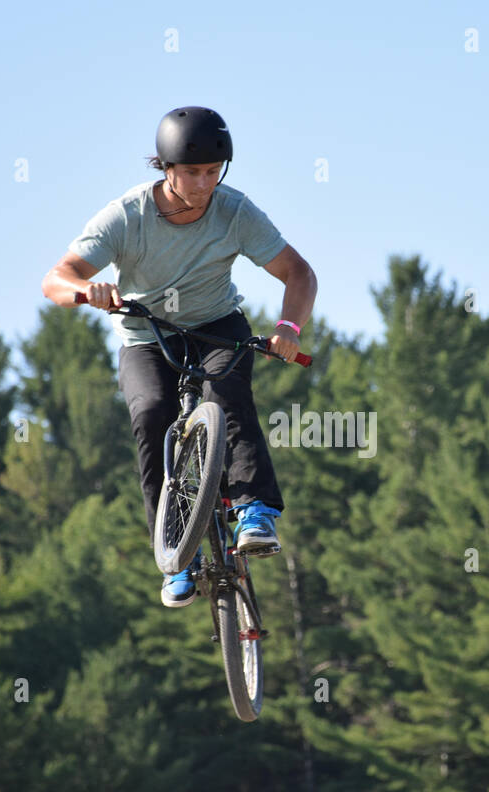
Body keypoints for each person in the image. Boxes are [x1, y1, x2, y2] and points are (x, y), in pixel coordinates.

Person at [41, 106, 317, 607]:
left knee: (227, 395)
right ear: (166, 169)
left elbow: (298, 273)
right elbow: (55, 278)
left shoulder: (235, 212)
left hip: (216, 327)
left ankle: (254, 511)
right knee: (150, 413)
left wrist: (288, 328)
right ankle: (176, 554)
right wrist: (87, 291)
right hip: (148, 335)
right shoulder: (127, 217)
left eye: (213, 172)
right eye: (192, 173)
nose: (204, 184)